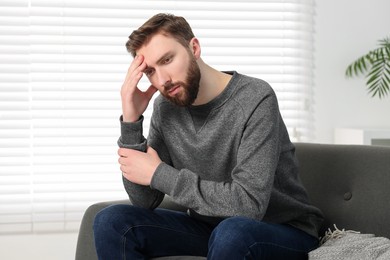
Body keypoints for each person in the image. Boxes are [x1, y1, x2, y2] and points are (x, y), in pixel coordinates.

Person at [93, 13, 324, 259]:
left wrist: (159, 173)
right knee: (112, 221)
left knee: (233, 231)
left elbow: (249, 206)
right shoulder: (165, 107)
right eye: (150, 71)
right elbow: (145, 201)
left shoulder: (255, 98)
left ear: (194, 48)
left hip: (283, 231)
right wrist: (131, 121)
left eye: (168, 60)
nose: (163, 80)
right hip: (211, 228)